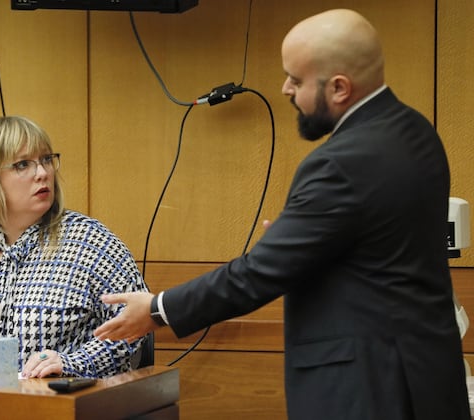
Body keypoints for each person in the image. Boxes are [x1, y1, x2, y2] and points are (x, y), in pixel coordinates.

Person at [94, 9, 471, 419]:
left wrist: (156, 310)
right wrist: (303, 242)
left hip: (368, 390)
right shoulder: (416, 132)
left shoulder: (340, 163)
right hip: (429, 380)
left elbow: (257, 275)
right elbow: (379, 254)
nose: (285, 88)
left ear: (340, 88)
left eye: (297, 78)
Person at [0, 115, 148, 379]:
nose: (43, 173)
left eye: (47, 159)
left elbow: (136, 321)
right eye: (23, 164)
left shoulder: (90, 241)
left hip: (59, 407)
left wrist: (73, 363)